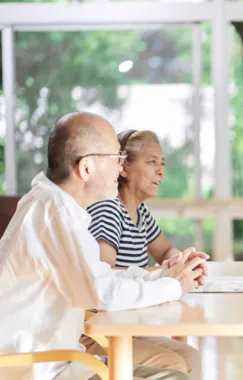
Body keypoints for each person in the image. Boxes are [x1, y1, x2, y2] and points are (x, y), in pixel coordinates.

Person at [0, 112, 205, 380]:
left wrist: (163, 275)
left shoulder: (56, 207)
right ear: (87, 167)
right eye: (116, 158)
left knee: (182, 365)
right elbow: (103, 294)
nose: (120, 168)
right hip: (40, 369)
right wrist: (174, 286)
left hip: (59, 360)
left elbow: (99, 277)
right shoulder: (56, 214)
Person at [82, 129, 206, 379]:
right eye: (151, 162)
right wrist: (165, 275)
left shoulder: (140, 212)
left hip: (125, 321)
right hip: (100, 329)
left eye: (162, 164)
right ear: (124, 167)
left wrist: (180, 261)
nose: (160, 171)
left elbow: (163, 250)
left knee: (191, 357)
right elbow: (104, 276)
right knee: (173, 365)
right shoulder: (108, 210)